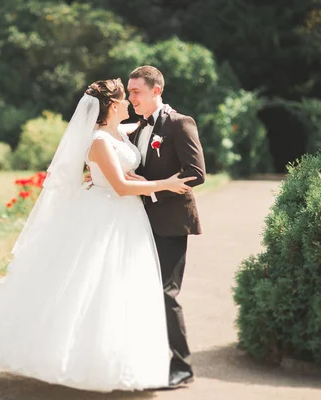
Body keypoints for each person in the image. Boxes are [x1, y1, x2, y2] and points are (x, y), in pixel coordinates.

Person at [0, 78, 195, 392]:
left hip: (127, 218)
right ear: (114, 105)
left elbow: (148, 129)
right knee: (95, 287)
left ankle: (125, 362)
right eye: (125, 98)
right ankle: (87, 362)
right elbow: (120, 186)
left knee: (124, 289)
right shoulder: (100, 141)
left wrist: (164, 113)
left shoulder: (120, 131)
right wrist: (164, 184)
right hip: (108, 214)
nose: (131, 102)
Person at [126, 65, 206, 388]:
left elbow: (196, 173)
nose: (131, 98)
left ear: (156, 91)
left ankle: (183, 366)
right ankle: (154, 358)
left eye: (136, 92)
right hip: (141, 222)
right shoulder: (136, 128)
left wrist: (152, 185)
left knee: (165, 294)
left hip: (172, 223)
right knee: (144, 292)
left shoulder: (179, 124)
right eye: (129, 92)